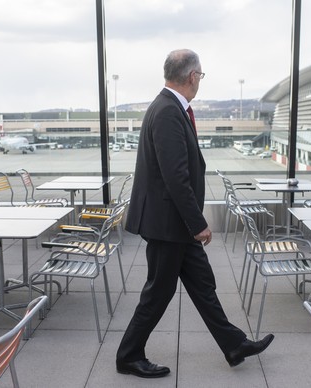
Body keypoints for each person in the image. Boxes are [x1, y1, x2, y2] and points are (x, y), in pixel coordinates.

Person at [116, 49, 274, 379]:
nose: (200, 80)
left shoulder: (170, 107)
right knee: (158, 291)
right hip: (168, 224)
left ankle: (234, 344)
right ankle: (129, 355)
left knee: (203, 284)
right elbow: (176, 177)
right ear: (192, 77)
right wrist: (198, 223)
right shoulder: (168, 112)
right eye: (200, 75)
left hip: (174, 223)